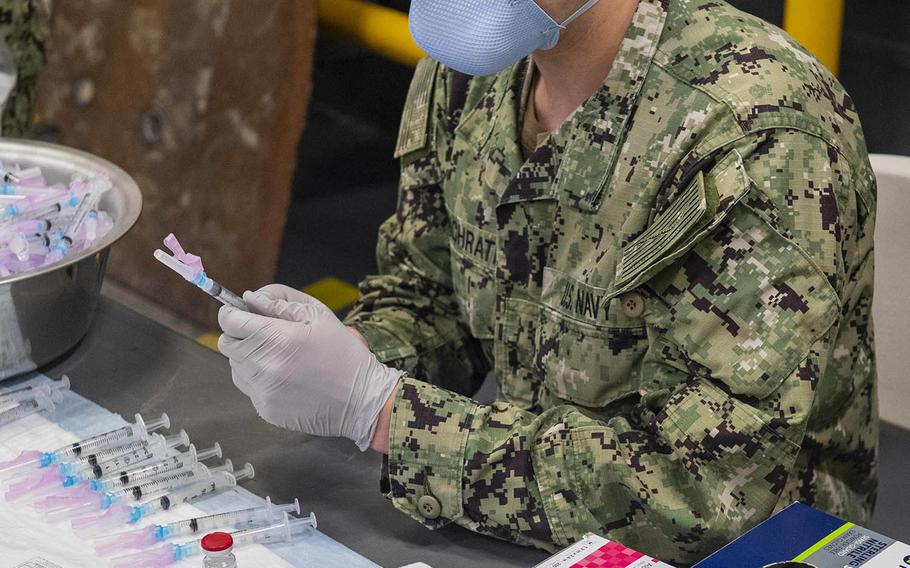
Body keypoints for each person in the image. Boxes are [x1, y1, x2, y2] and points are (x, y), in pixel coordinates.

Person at [217, 1, 878, 565]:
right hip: (539, 522)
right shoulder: (466, 77)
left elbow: (709, 488)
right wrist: (343, 358)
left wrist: (382, 411)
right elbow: (434, 293)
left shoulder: (756, 131)